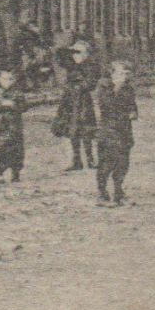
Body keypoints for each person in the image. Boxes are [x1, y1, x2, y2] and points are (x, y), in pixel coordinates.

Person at [93, 60, 137, 207]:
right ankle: (102, 194)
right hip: (108, 130)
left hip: (124, 130)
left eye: (127, 73)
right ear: (112, 73)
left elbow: (132, 105)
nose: (125, 76)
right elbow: (107, 106)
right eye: (121, 73)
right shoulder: (104, 86)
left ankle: (119, 193)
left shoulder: (128, 88)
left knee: (123, 163)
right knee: (106, 163)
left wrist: (133, 112)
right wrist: (118, 88)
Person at [53, 38, 99, 171]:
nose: (75, 55)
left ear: (86, 54)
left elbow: (90, 83)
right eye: (73, 52)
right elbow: (59, 52)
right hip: (70, 102)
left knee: (86, 130)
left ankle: (90, 159)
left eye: (79, 52)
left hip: (83, 102)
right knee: (73, 130)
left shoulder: (90, 66)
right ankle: (76, 160)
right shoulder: (71, 66)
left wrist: (77, 86)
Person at [0, 67, 25, 184]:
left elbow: (23, 106)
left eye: (10, 79)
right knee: (0, 149)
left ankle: (15, 172)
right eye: (5, 79)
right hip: (1, 126)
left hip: (14, 126)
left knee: (17, 149)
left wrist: (11, 105)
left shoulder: (17, 93)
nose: (7, 81)